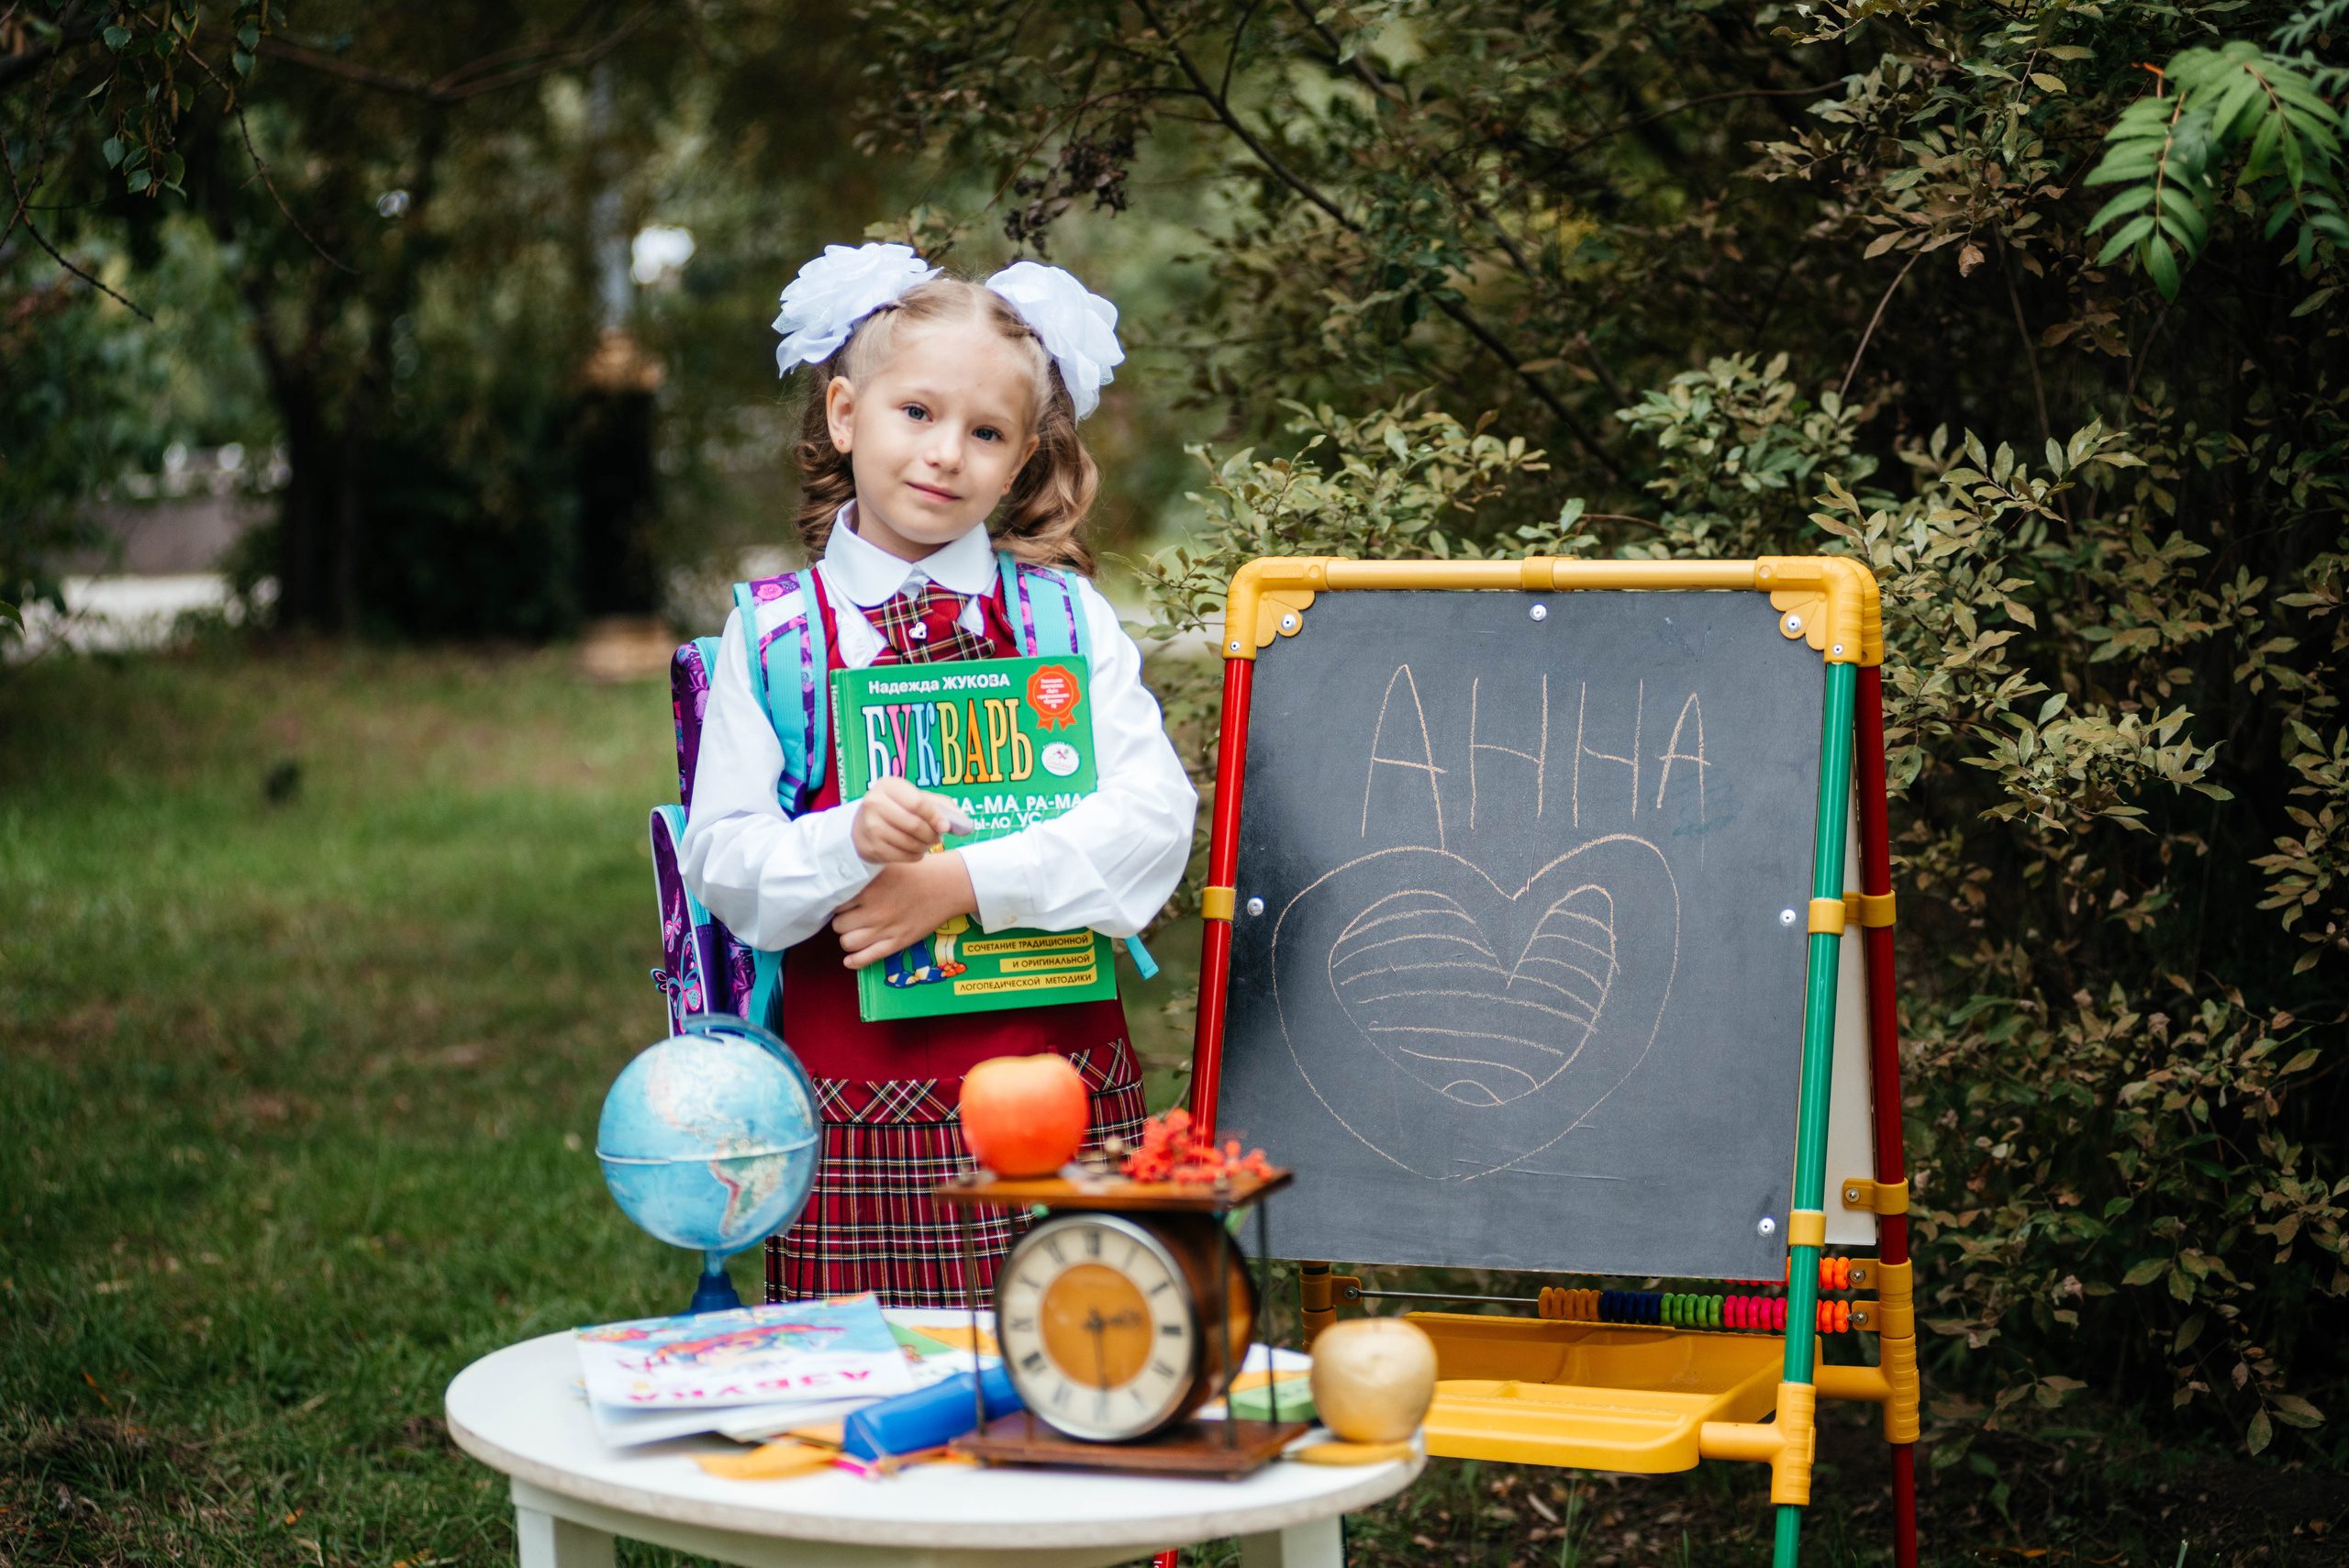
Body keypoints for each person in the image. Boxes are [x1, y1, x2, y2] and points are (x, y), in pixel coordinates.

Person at [682, 243, 1197, 1307]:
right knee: (861, 1393)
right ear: (843, 413)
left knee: (1073, 1370)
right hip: (855, 1096)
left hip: (1058, 1085)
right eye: (915, 412)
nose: (945, 453)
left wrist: (960, 883)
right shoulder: (778, 637)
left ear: (1018, 462)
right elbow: (725, 865)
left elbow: (1153, 821)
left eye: (986, 431)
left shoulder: (1063, 621)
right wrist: (849, 839)